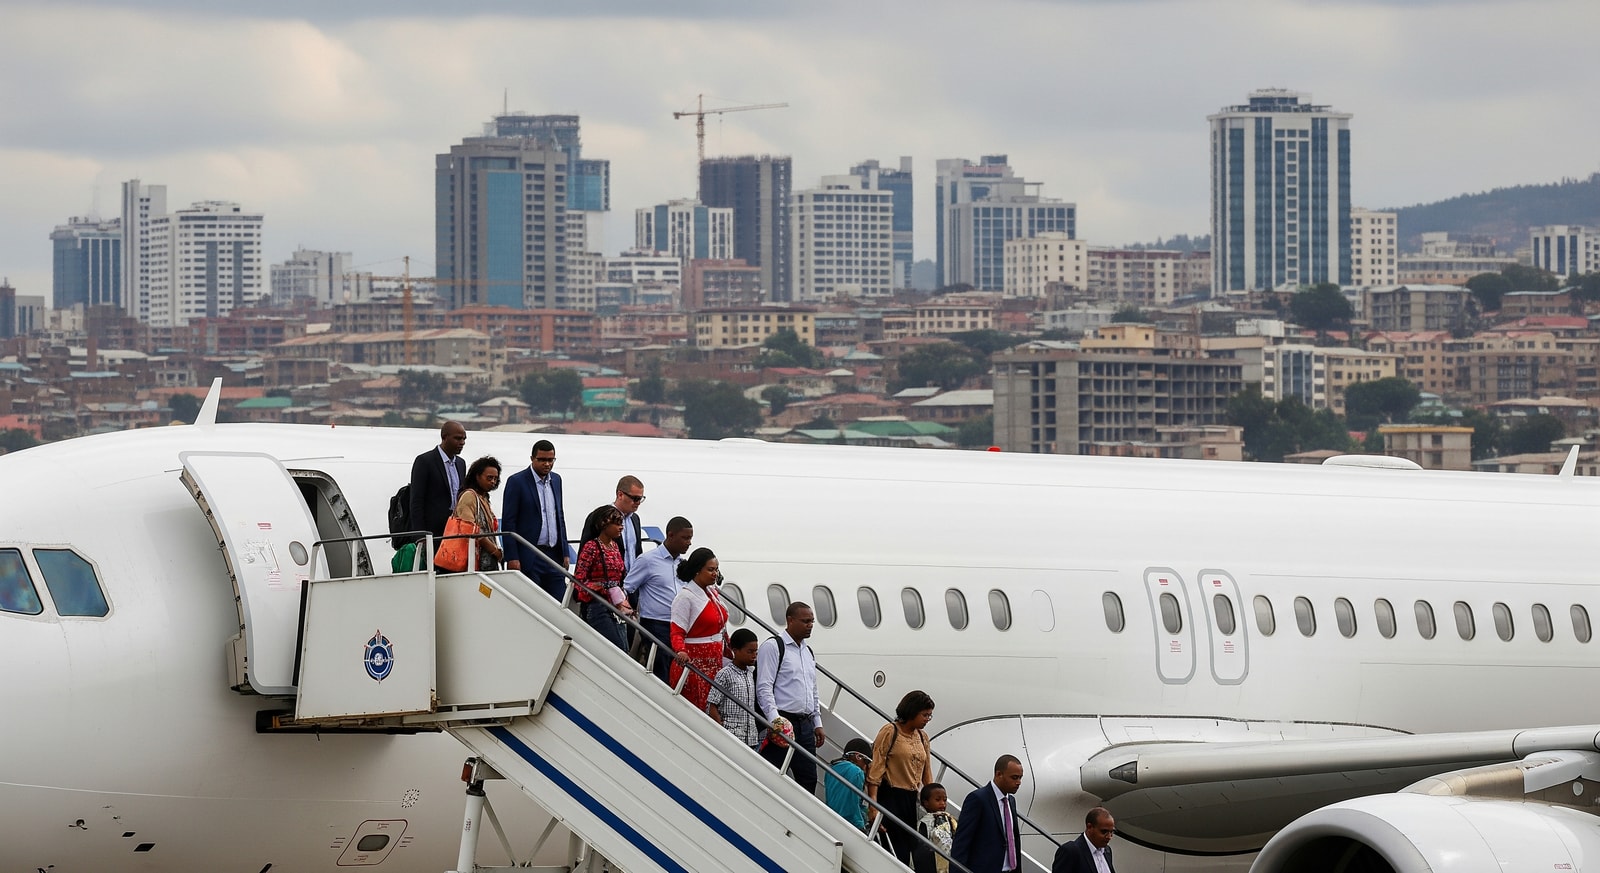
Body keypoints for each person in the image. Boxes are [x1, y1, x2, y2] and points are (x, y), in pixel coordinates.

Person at [755, 602, 825, 793]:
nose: (810, 625)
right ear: (790, 620)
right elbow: (764, 687)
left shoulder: (807, 652)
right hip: (783, 721)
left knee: (809, 778)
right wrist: (775, 720)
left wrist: (817, 721)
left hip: (805, 725)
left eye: (812, 621)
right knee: (772, 774)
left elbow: (813, 688)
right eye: (805, 621)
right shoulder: (773, 647)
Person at [867, 689, 935, 865]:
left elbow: (927, 772)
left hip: (912, 799)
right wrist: (873, 805)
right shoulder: (890, 731)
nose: (927, 719)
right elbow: (876, 770)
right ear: (912, 712)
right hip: (891, 796)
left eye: (930, 716)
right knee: (896, 851)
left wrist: (933, 798)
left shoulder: (922, 736)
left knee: (915, 849)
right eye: (925, 715)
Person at [623, 516, 693, 682]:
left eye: (690, 538)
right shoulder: (648, 560)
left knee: (676, 671)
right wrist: (628, 609)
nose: (689, 543)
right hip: (655, 623)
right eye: (685, 538)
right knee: (661, 669)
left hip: (679, 625)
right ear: (670, 535)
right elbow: (627, 586)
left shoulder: (683, 564)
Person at [502, 440, 568, 600]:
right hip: (529, 555)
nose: (547, 464)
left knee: (560, 602)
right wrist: (512, 557)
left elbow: (559, 516)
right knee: (533, 603)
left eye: (550, 460)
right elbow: (508, 522)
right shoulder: (517, 482)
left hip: (553, 555)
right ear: (532, 458)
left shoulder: (557, 480)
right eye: (542, 459)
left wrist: (565, 552)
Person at [670, 547, 727, 712]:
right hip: (696, 667)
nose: (715, 574)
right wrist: (680, 650)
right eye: (710, 570)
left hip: (715, 662)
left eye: (716, 569)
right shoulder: (685, 597)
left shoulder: (712, 592)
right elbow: (676, 631)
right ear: (697, 571)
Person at [571, 505, 633, 650]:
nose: (621, 527)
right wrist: (599, 587)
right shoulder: (591, 547)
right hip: (597, 605)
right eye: (616, 523)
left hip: (616, 606)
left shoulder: (615, 547)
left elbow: (619, 576)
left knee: (623, 649)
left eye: (621, 523)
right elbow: (579, 578)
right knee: (615, 648)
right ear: (603, 524)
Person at [951, 755, 1025, 873]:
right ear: (998, 774)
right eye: (1014, 778)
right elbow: (962, 843)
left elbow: (1013, 840)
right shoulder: (978, 799)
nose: (1018, 782)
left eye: (1020, 778)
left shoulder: (1011, 801)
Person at [408, 421, 467, 546]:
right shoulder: (425, 461)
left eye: (464, 439)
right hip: (432, 532)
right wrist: (420, 535)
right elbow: (416, 500)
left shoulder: (461, 464)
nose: (462, 442)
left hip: (455, 530)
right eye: (457, 438)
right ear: (444, 437)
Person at [706, 627, 760, 748]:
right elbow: (711, 705)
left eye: (756, 652)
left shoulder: (751, 673)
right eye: (750, 652)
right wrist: (721, 730)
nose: (754, 656)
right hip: (731, 736)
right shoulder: (725, 674)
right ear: (736, 650)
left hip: (750, 737)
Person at [452, 456, 504, 571]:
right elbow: (470, 530)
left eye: (495, 479)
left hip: (485, 559)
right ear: (477, 476)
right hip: (471, 561)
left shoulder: (484, 498)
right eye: (489, 478)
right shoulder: (469, 496)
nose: (493, 482)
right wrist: (494, 551)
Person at [824, 738, 874, 831]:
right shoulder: (857, 772)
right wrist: (862, 825)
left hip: (830, 818)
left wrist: (868, 812)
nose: (866, 767)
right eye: (867, 762)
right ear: (858, 757)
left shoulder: (832, 767)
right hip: (849, 824)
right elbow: (852, 805)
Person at [1051, 807, 1116, 873]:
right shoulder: (1071, 851)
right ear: (1089, 827)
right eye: (1104, 831)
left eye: (1112, 832)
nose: (1109, 836)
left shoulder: (1107, 851)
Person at [912, 783, 956, 873]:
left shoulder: (949, 819)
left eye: (945, 800)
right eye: (938, 800)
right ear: (926, 803)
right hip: (933, 864)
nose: (942, 803)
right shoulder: (924, 823)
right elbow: (921, 848)